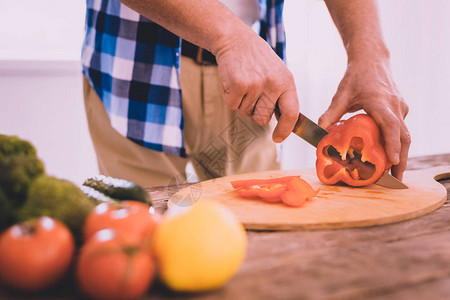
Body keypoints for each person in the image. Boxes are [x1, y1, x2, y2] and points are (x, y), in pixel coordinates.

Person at [82, 0, 410, 188]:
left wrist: (370, 50)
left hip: (254, 85)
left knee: (257, 240)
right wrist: (229, 37)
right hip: (134, 71)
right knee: (141, 241)